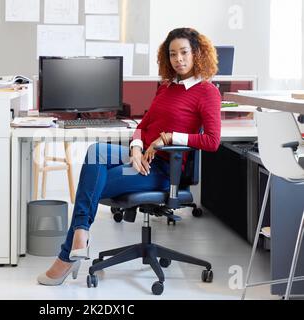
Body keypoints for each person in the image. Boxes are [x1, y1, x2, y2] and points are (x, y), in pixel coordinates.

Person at [37, 27, 222, 286]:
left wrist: (170, 137)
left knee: (97, 180)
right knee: (96, 152)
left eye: (183, 52)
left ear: (197, 53)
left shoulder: (207, 92)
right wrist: (135, 148)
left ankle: (68, 254)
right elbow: (143, 124)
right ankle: (80, 234)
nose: (178, 59)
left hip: (162, 171)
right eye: (172, 54)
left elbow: (212, 141)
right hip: (140, 159)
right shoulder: (167, 88)